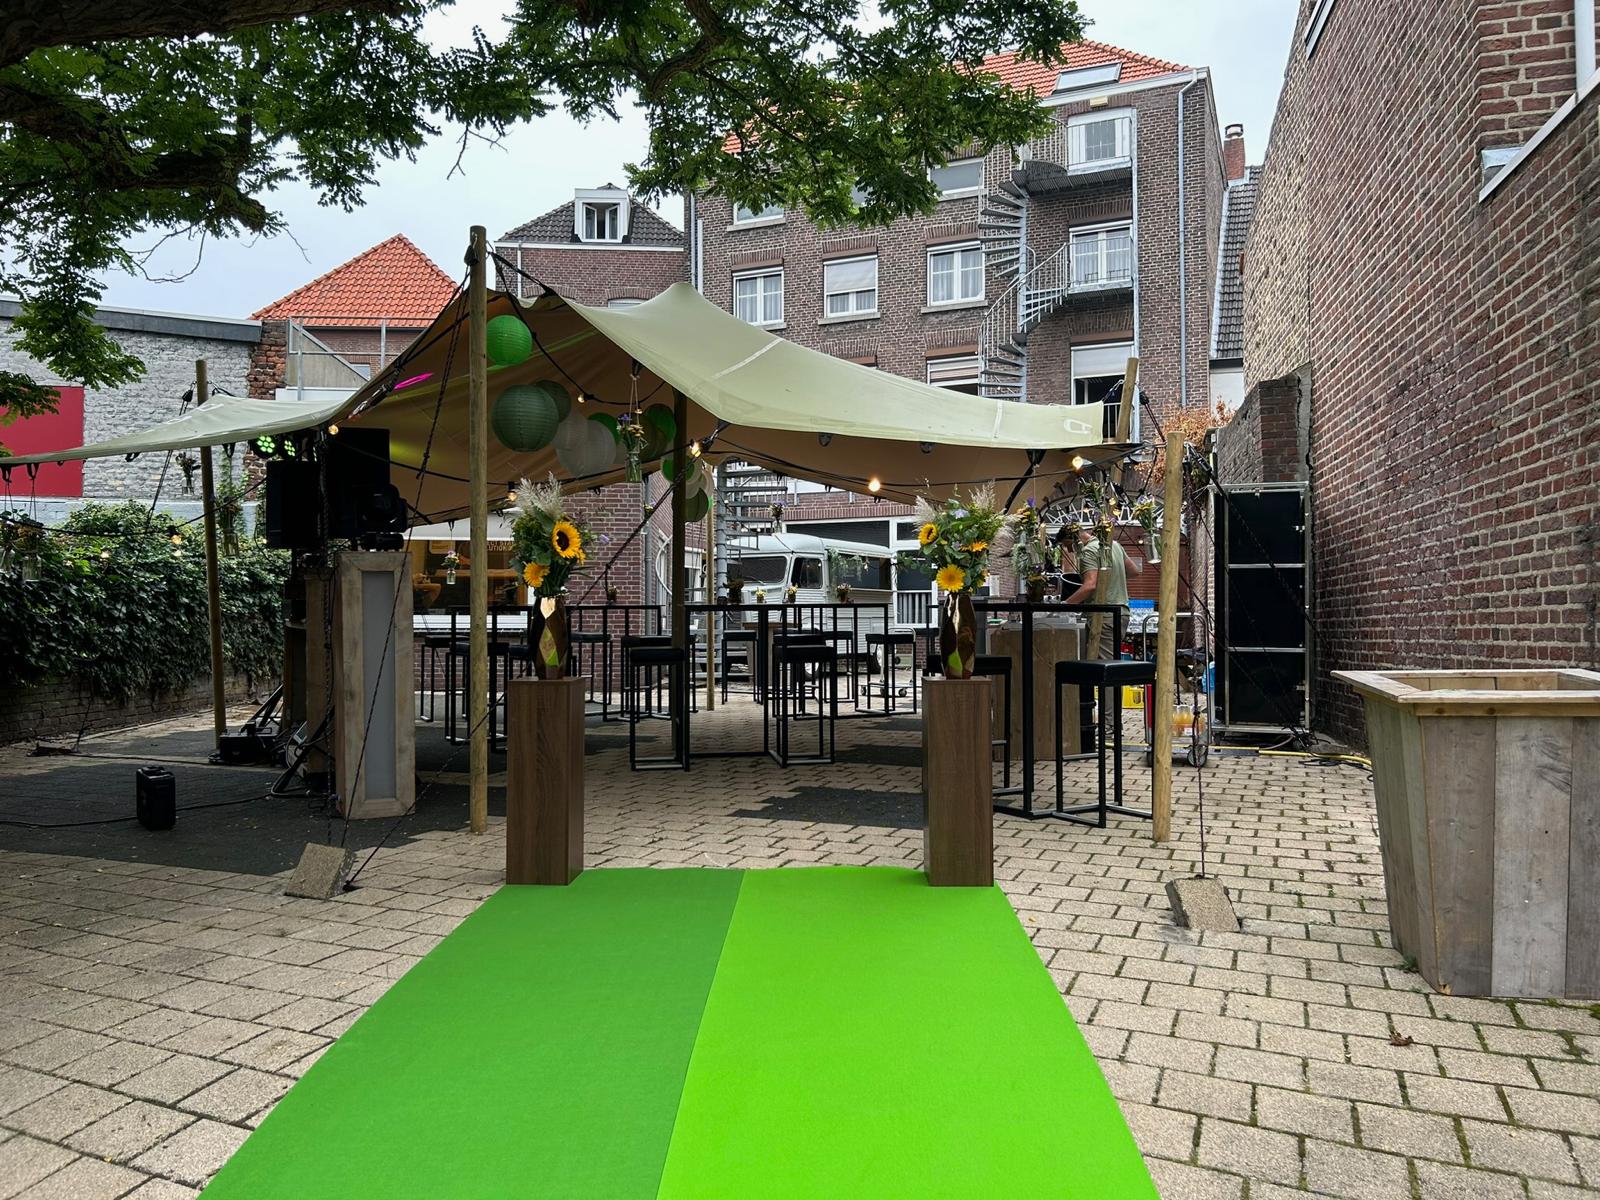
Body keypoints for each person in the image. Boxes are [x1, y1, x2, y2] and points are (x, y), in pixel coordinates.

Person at [1062, 522, 1142, 660]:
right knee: (1111, 658)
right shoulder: (1114, 545)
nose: (1070, 551)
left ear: (1075, 539)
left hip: (1103, 615)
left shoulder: (1088, 551)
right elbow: (1134, 571)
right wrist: (1112, 578)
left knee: (1105, 663)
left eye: (1068, 546)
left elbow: (1090, 585)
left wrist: (1065, 605)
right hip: (1122, 613)